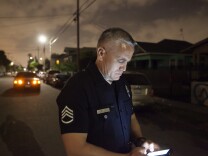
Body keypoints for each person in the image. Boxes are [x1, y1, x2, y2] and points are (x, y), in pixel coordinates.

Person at [56, 27, 159, 156]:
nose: (124, 68)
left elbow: (131, 118)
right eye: (121, 60)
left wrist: (141, 141)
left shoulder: (122, 84)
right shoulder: (77, 88)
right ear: (101, 53)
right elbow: (75, 150)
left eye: (127, 62)